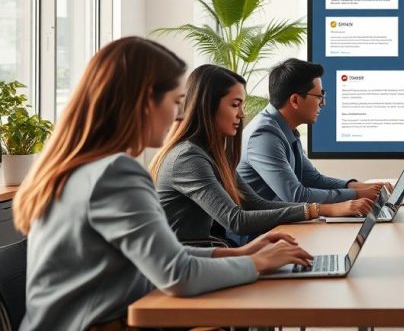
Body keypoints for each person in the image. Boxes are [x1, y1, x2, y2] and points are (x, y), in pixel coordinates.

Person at [13, 38, 313, 331]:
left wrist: (242, 254)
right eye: (174, 102)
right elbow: (177, 274)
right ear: (145, 101)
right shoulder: (116, 173)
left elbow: (168, 256)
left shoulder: (79, 168)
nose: (179, 115)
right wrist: (257, 264)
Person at [150, 65, 374, 244]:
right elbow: (236, 220)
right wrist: (320, 209)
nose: (242, 114)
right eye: (235, 105)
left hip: (201, 256)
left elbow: (254, 203)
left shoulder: (211, 153)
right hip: (183, 266)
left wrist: (325, 207)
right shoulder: (188, 158)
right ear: (208, 107)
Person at [238, 59, 389, 204]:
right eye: (319, 96)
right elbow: (295, 196)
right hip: (262, 230)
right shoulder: (264, 136)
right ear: (295, 100)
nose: (323, 103)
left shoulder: (283, 128)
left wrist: (360, 186)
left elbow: (312, 178)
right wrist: (357, 195)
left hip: (283, 223)